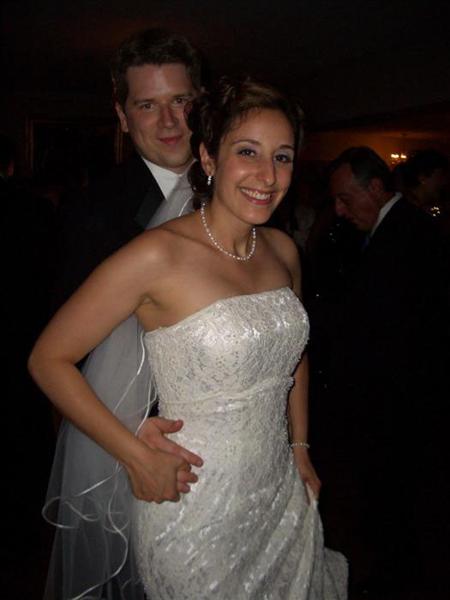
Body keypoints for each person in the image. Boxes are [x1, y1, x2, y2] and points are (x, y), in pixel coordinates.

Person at [29, 77, 347, 599]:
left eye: (283, 157)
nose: (268, 176)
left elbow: (292, 358)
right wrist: (136, 455)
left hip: (279, 496)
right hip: (193, 503)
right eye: (248, 152)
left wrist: (301, 446)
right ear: (208, 156)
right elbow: (49, 359)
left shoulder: (283, 251)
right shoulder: (156, 255)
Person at [38, 29, 207, 600]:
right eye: (147, 105)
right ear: (122, 114)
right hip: (139, 445)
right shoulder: (95, 211)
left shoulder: (239, 189)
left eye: (180, 101)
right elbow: (67, 356)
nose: (169, 122)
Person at [308, 146, 449, 596]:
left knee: (403, 516)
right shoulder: (389, 230)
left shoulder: (410, 235)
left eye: (346, 198)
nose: (339, 210)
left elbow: (403, 333)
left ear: (375, 187)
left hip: (403, 410)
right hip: (394, 408)